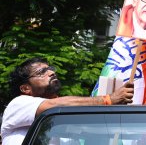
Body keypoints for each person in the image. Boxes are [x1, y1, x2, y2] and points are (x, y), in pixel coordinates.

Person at [1, 57, 134, 145]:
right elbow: (51, 106)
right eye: (42, 72)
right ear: (25, 88)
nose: (51, 73)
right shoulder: (19, 103)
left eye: (50, 69)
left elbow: (92, 132)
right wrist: (109, 99)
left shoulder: (63, 119)